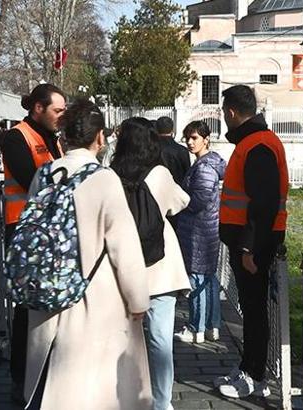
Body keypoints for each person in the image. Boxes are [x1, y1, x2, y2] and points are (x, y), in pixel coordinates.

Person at [23, 100, 152, 409]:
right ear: (100, 137)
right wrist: (138, 301)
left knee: (56, 385)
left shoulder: (43, 176)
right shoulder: (104, 180)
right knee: (94, 387)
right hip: (95, 299)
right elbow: (125, 249)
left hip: (47, 294)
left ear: (63, 137)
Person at [214, 85, 289, 399]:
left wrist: (248, 249)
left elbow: (263, 203)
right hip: (253, 243)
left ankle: (254, 376)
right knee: (252, 310)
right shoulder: (256, 142)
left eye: (224, 113)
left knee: (255, 312)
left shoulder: (256, 145)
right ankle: (249, 367)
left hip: (253, 246)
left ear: (231, 112)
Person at [111, 117, 190, 410]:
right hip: (160, 266)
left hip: (122, 267)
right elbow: (181, 202)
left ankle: (127, 397)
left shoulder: (111, 174)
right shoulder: (160, 174)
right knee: (160, 340)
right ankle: (162, 401)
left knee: (124, 340)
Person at [0, 83, 66, 402]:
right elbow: (33, 181)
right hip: (23, 231)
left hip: (48, 231)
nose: (62, 116)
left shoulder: (53, 138)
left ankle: (48, 371)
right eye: (57, 110)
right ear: (38, 108)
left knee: (48, 304)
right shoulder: (16, 137)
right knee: (27, 308)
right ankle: (21, 377)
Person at [173, 121, 227, 344]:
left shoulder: (204, 167)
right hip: (206, 228)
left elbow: (200, 199)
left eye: (194, 137)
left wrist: (183, 203)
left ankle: (197, 327)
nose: (189, 141)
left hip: (199, 231)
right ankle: (211, 326)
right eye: (187, 137)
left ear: (206, 139)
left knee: (197, 278)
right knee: (208, 278)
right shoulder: (207, 163)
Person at [155, 116, 190, 186]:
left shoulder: (151, 149)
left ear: (156, 129)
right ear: (172, 130)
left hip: (156, 190)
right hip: (178, 189)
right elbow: (187, 174)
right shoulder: (182, 150)